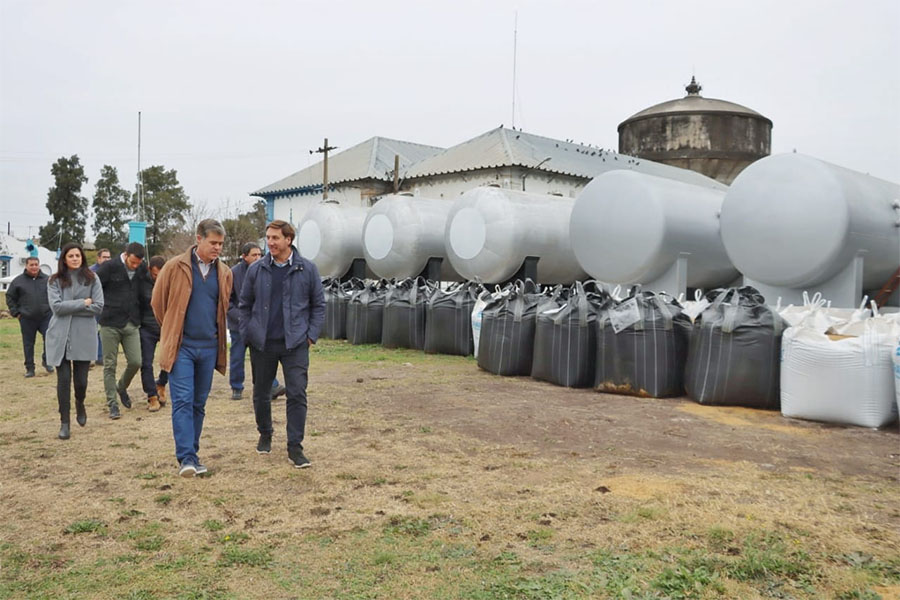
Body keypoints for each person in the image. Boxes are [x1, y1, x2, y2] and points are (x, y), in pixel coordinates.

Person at [239, 219, 324, 468]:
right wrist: (248, 333)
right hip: (262, 343)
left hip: (295, 343)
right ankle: (265, 433)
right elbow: (244, 305)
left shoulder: (307, 270)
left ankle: (295, 447)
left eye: (275, 238)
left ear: (289, 240)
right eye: (268, 237)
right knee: (261, 393)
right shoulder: (256, 270)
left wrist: (310, 335)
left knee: (297, 393)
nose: (270, 242)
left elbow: (318, 305)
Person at [152, 219, 232, 477]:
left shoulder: (225, 273)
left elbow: (224, 308)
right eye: (213, 243)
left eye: (220, 244)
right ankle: (186, 457)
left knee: (199, 403)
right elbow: (158, 303)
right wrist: (172, 329)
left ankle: (193, 454)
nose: (217, 248)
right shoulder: (175, 267)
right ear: (199, 239)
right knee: (183, 401)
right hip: (182, 348)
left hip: (209, 348)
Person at [45, 243, 104, 439]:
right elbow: (57, 308)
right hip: (59, 335)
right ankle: (64, 422)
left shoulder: (92, 278)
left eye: (77, 255)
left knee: (81, 381)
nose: (75, 258)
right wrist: (83, 303)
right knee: (63, 381)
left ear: (82, 257)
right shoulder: (54, 281)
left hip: (84, 335)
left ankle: (80, 402)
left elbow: (98, 307)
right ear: (64, 259)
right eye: (71, 256)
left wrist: (76, 306)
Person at [228, 242, 285, 401]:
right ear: (244, 257)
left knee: (263, 356)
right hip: (238, 324)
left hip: (260, 324)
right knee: (237, 356)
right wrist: (240, 317)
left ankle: (270, 386)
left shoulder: (266, 271)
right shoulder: (233, 274)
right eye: (254, 255)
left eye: (260, 255)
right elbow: (227, 302)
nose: (258, 258)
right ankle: (236, 387)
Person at [96, 242, 146, 419]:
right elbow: (94, 287)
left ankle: (121, 386)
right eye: (132, 262)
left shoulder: (141, 268)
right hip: (109, 323)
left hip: (131, 323)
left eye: (138, 263)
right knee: (110, 365)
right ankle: (113, 404)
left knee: (136, 361)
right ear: (126, 254)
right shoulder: (109, 267)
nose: (135, 266)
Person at [6, 257, 53, 377]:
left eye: (36, 264)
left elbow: (54, 295)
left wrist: (52, 310)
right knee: (28, 344)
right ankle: (30, 368)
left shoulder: (47, 280)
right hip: (27, 317)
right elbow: (10, 297)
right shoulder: (18, 281)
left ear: (39, 265)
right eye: (31, 265)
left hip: (45, 316)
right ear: (26, 266)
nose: (34, 267)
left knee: (50, 339)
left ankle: (47, 361)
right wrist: (15, 312)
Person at [139, 255, 169, 412]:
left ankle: (161, 384)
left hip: (165, 326)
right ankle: (151, 396)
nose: (158, 277)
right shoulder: (141, 282)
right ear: (150, 270)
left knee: (170, 360)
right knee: (146, 363)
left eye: (161, 274)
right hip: (146, 327)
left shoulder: (170, 282)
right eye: (155, 274)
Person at [90, 248, 112, 365]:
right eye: (104, 257)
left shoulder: (113, 271)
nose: (107, 260)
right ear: (98, 258)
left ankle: (101, 356)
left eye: (109, 257)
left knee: (104, 332)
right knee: (93, 331)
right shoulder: (91, 272)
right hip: (94, 306)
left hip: (107, 306)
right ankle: (94, 355)